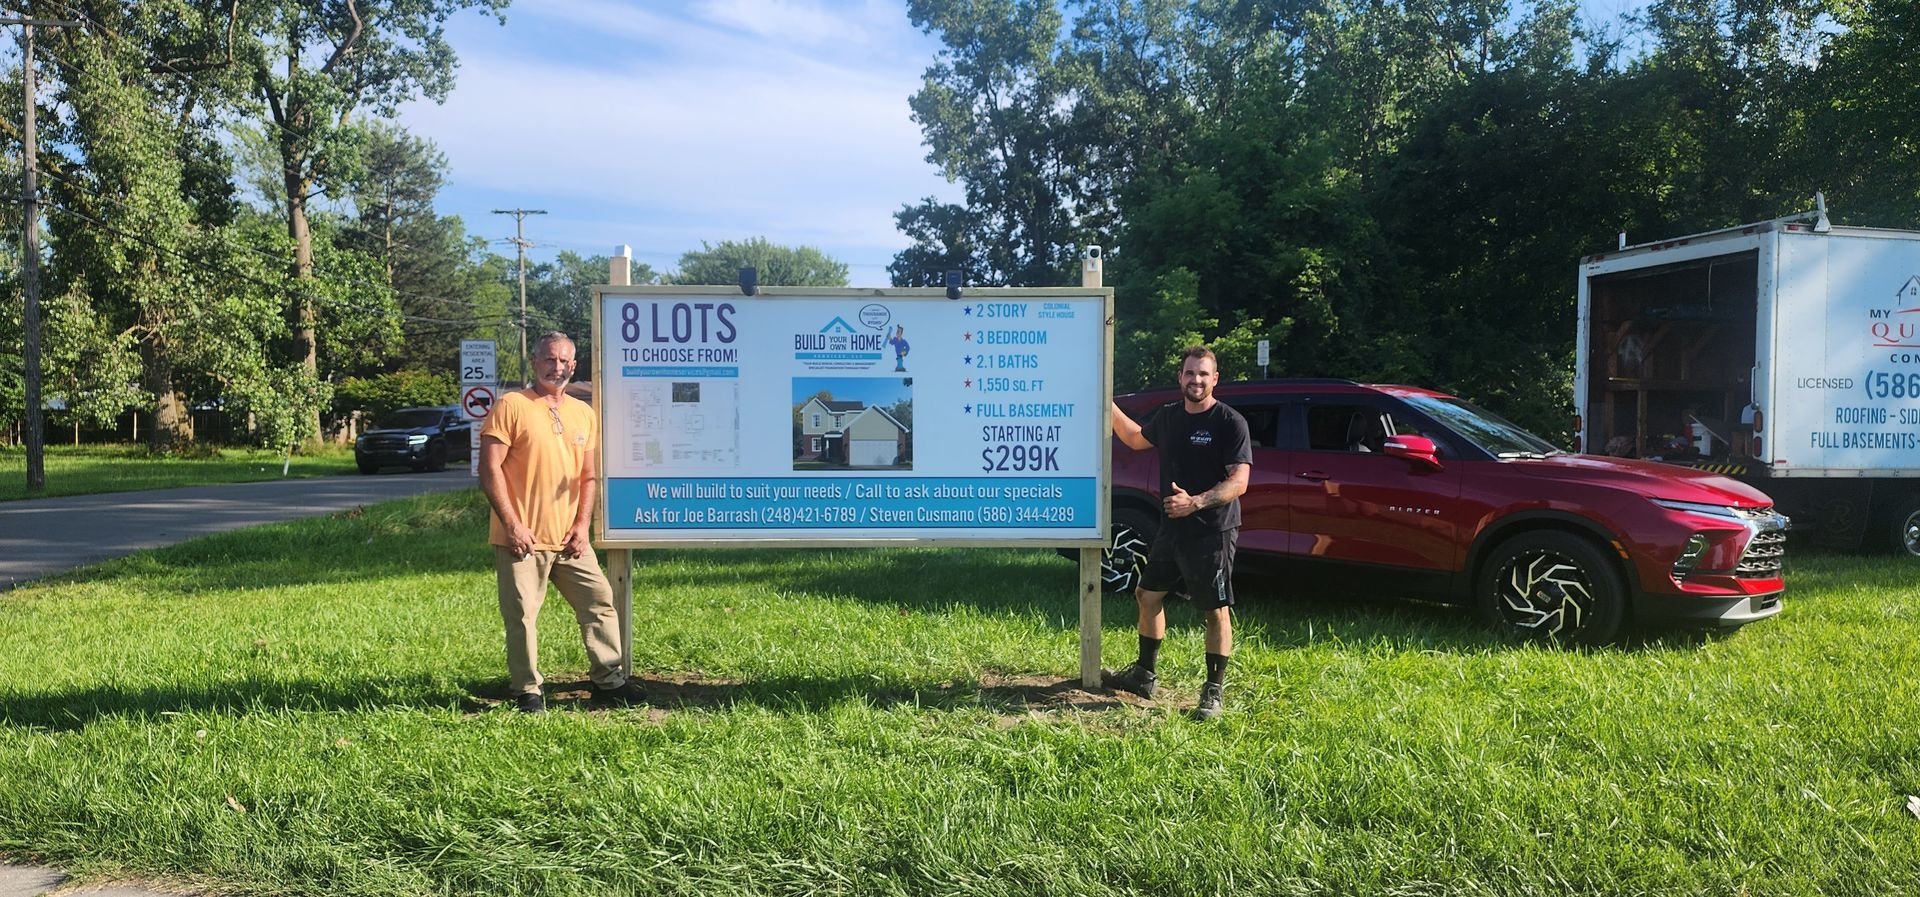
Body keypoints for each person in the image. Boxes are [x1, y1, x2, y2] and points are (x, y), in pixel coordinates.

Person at [479, 331, 645, 713]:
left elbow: (588, 477)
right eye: (549, 360)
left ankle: (608, 682)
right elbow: (489, 469)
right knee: (522, 615)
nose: (557, 367)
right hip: (522, 538)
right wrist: (512, 524)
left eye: (564, 361)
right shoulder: (511, 405)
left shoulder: (582, 413)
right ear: (534, 363)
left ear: (574, 365)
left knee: (600, 601)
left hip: (570, 540)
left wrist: (582, 525)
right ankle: (528, 691)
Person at [1103, 345, 1251, 720]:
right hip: (1172, 529)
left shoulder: (1230, 422)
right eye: (1190, 373)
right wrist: (1103, 399)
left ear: (1215, 379)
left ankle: (1213, 692)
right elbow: (1135, 438)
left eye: (1203, 374)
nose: (1196, 380)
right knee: (1147, 595)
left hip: (1212, 530)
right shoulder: (1169, 418)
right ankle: (1144, 674)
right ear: (1180, 377)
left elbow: (1239, 481)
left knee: (1214, 610)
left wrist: (1197, 502)